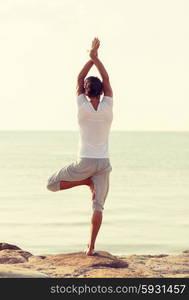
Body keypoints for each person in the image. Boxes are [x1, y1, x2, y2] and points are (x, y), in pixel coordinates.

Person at [47, 38, 113, 256]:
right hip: (103, 163)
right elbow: (106, 78)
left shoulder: (82, 106)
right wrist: (96, 58)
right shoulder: (107, 106)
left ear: (85, 92)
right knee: (98, 207)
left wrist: (90, 58)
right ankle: (91, 248)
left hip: (84, 161)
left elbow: (79, 78)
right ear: (102, 92)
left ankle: (85, 181)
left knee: (51, 184)